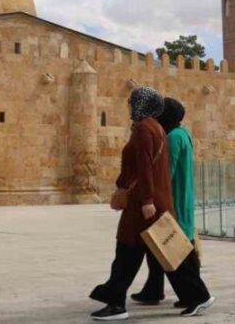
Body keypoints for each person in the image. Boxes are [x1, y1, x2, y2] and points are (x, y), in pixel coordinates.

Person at [89, 87, 214, 321]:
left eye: (132, 101)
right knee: (148, 252)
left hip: (143, 204)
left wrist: (147, 200)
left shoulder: (144, 129)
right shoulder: (154, 127)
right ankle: (196, 295)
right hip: (149, 202)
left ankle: (116, 302)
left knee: (134, 252)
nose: (128, 104)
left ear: (142, 104)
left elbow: (146, 167)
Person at [132, 98, 210, 313]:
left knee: (179, 249)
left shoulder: (173, 138)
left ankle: (194, 294)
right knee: (159, 247)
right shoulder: (182, 133)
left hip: (173, 199)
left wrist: (151, 196)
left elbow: (167, 171)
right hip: (182, 196)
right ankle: (153, 289)